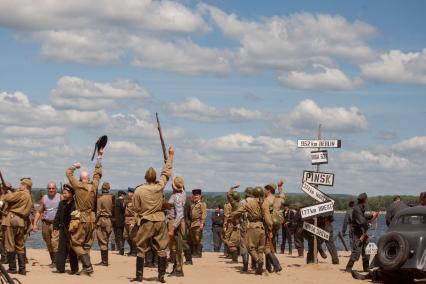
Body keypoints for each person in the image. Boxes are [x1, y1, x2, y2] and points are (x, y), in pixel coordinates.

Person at [131, 146, 174, 283]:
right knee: (161, 248)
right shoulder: (159, 187)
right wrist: (171, 156)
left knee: (141, 248)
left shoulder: (139, 190)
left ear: (145, 177)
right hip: (160, 220)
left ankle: (139, 276)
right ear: (155, 177)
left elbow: (136, 208)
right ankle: (161, 276)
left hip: (146, 221)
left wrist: (142, 212)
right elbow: (166, 173)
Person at [66, 156, 103, 275]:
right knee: (87, 244)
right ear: (88, 178)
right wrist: (99, 159)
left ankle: (87, 265)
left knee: (75, 243)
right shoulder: (94, 186)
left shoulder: (77, 186)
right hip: (92, 219)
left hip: (81, 218)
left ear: (81, 179)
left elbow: (68, 173)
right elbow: (97, 175)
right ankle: (86, 270)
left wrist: (74, 166)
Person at [2, 177, 33, 275]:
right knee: (20, 246)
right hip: (21, 221)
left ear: (25, 186)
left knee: (10, 244)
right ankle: (22, 269)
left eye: (21, 185)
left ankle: (12, 268)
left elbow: (7, 198)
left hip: (12, 219)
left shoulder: (21, 194)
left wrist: (7, 191)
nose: (19, 186)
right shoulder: (29, 196)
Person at [231, 186, 265, 275]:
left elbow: (238, 213)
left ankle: (245, 265)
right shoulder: (260, 201)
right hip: (258, 225)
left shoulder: (243, 202)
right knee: (257, 246)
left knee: (244, 245)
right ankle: (255, 265)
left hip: (245, 225)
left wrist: (234, 221)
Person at [345, 193, 379, 273]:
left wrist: (372, 216)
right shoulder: (357, 209)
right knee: (357, 250)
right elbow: (362, 221)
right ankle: (348, 268)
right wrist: (371, 221)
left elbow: (364, 216)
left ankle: (366, 268)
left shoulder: (360, 208)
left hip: (362, 232)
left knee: (366, 250)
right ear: (364, 200)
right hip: (357, 232)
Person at [32, 182, 60, 267]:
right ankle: (53, 261)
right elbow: (39, 212)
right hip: (46, 223)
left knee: (55, 242)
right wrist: (34, 224)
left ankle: (56, 262)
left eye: (53, 188)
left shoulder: (60, 197)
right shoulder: (44, 198)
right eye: (49, 188)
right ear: (47, 189)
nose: (51, 190)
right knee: (48, 243)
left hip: (56, 224)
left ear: (56, 189)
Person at [53, 184, 78, 274]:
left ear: (71, 194)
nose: (64, 195)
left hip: (72, 230)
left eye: (66, 193)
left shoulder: (75, 203)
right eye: (63, 193)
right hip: (63, 229)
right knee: (61, 249)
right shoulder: (61, 203)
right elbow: (58, 216)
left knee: (72, 249)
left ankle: (74, 269)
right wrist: (55, 227)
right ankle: (60, 268)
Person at [166, 176, 186, 277]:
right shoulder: (183, 193)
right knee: (175, 247)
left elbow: (180, 214)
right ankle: (176, 267)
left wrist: (172, 228)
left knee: (177, 247)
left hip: (175, 222)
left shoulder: (176, 197)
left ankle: (178, 269)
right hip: (174, 222)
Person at [261, 182, 283, 273]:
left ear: (269, 190)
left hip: (268, 225)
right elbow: (282, 196)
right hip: (276, 225)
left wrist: (269, 228)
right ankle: (270, 267)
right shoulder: (278, 199)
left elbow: (266, 215)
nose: (264, 191)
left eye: (265, 190)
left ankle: (274, 265)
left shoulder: (266, 201)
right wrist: (280, 187)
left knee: (266, 246)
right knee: (271, 245)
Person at [95, 182, 114, 266]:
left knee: (102, 240)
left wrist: (95, 220)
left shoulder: (100, 198)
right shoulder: (112, 197)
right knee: (106, 240)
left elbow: (98, 211)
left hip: (102, 220)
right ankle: (105, 260)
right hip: (109, 220)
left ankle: (104, 261)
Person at [225, 185, 241, 263]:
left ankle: (234, 259)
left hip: (236, 226)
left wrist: (231, 188)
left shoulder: (235, 204)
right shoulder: (243, 204)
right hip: (242, 226)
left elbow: (228, 195)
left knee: (231, 243)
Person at [190, 189, 207, 258]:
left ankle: (199, 253)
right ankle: (194, 252)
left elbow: (204, 213)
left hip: (198, 222)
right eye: (195, 195)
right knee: (193, 238)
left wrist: (202, 223)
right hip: (192, 223)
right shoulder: (193, 204)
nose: (196, 196)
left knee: (198, 238)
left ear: (200, 196)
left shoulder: (202, 204)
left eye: (197, 195)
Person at [124, 187, 137, 257]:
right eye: (128, 192)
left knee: (133, 237)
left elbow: (136, 213)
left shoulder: (135, 201)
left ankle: (134, 251)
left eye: (130, 192)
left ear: (133, 193)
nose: (128, 193)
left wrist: (134, 222)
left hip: (132, 220)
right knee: (126, 236)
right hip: (126, 220)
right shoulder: (127, 201)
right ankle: (131, 250)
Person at [113, 190, 126, 255]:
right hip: (123, 221)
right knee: (123, 235)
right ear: (122, 195)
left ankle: (121, 248)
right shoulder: (124, 202)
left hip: (116, 221)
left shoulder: (115, 202)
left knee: (118, 235)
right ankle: (122, 247)